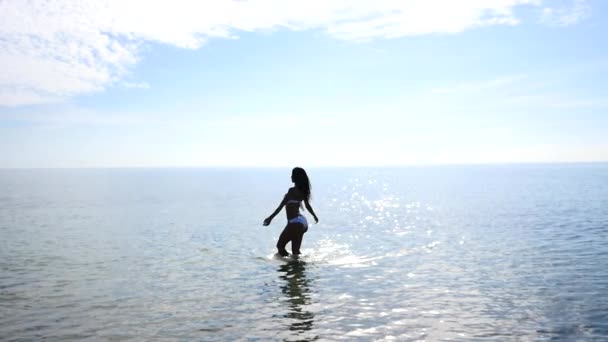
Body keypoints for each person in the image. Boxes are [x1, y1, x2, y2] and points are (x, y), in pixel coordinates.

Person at [263, 167, 319, 257]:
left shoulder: (291, 191)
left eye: (292, 175)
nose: (291, 177)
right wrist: (314, 216)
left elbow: (281, 206)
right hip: (302, 222)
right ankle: (298, 268)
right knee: (295, 251)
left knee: (280, 246)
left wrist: (270, 218)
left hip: (294, 222)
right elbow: (307, 206)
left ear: (296, 177)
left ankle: (288, 267)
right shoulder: (303, 191)